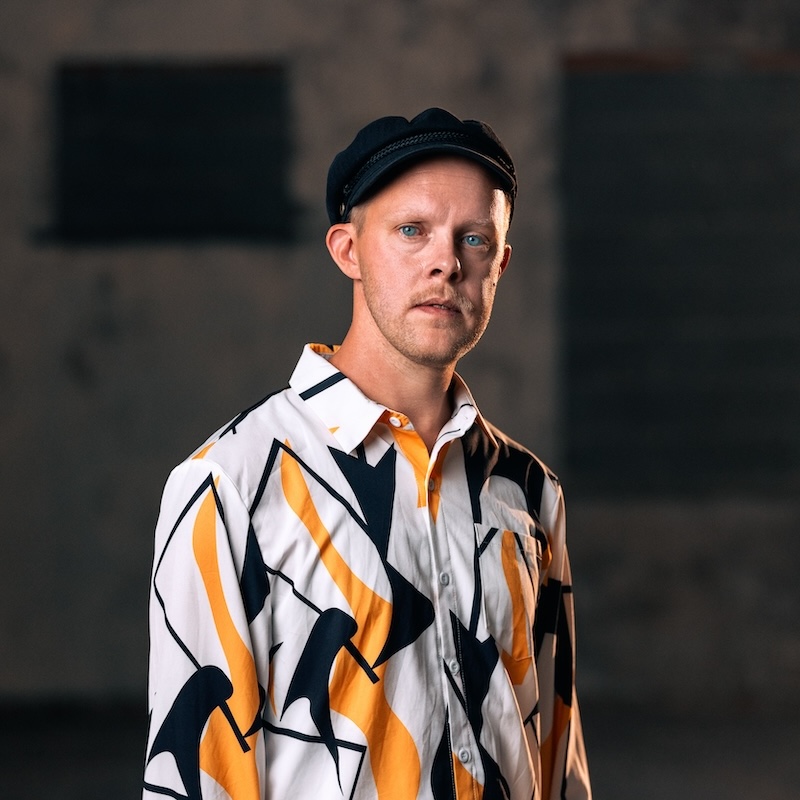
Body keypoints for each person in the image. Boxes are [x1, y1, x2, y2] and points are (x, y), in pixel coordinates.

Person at [143, 108, 591, 800]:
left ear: (499, 264)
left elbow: (557, 757)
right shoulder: (230, 485)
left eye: (474, 238)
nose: (446, 261)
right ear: (348, 250)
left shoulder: (529, 490)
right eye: (412, 230)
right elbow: (197, 777)